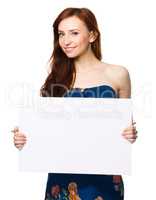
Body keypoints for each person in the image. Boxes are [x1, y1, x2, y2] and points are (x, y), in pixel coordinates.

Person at [13, 7, 137, 200]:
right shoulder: (56, 78)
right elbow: (48, 135)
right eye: (61, 34)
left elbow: (125, 129)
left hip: (104, 179)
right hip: (62, 179)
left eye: (74, 33)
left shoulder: (118, 74)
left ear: (92, 35)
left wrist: (130, 134)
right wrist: (25, 140)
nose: (66, 41)